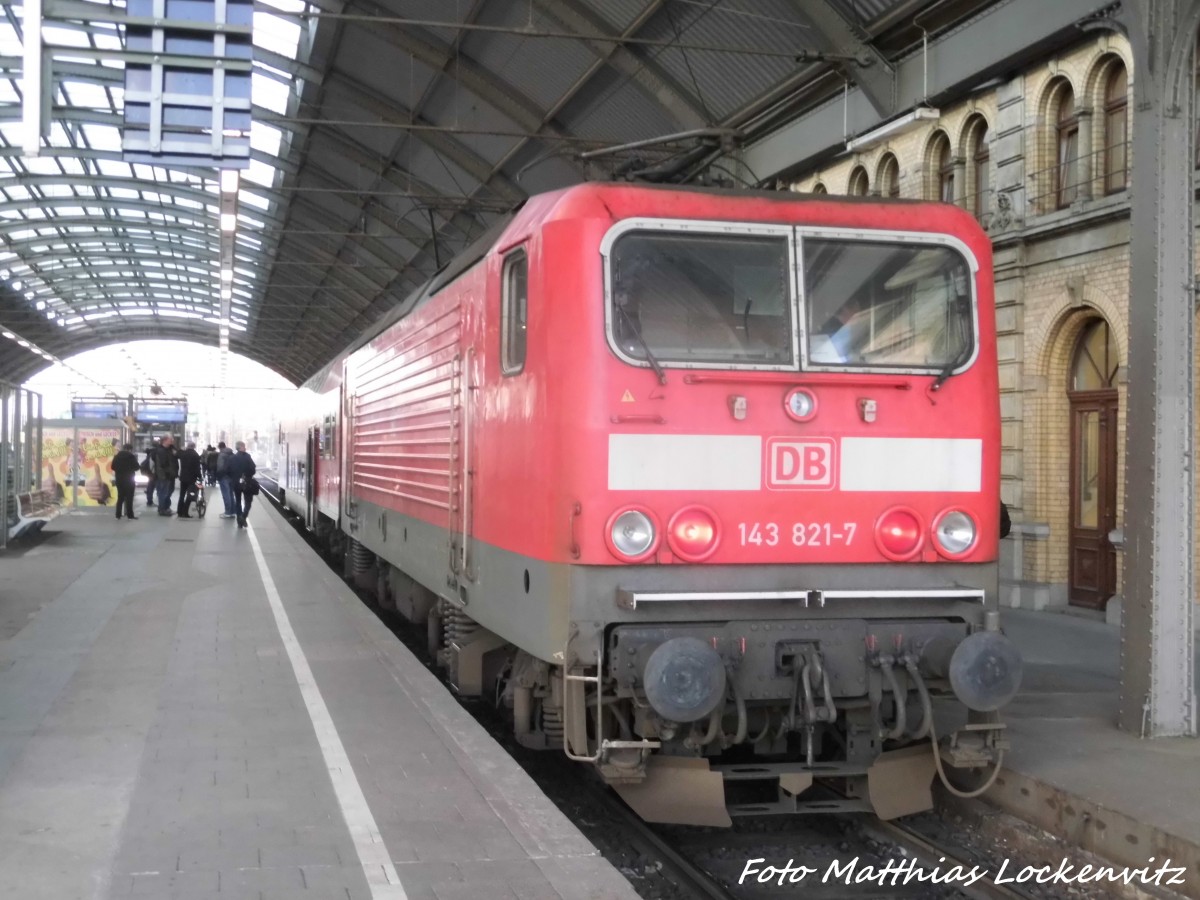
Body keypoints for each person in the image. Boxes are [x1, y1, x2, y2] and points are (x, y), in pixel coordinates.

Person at [228, 440, 257, 529]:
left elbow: (228, 470)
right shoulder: (247, 457)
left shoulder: (232, 458)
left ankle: (239, 520)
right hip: (247, 483)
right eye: (244, 446)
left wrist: (234, 477)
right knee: (248, 502)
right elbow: (253, 469)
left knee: (238, 501)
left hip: (236, 483)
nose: (245, 448)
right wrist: (248, 475)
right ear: (241, 447)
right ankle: (243, 517)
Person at [110, 443, 140, 520]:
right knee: (129, 498)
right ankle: (130, 515)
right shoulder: (131, 457)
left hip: (119, 479)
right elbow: (137, 467)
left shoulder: (116, 456)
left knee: (120, 497)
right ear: (130, 449)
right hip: (129, 479)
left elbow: (112, 467)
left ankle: (118, 515)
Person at [154, 435, 179, 516]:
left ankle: (166, 507)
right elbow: (164, 464)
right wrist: (169, 472)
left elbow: (177, 455)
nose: (172, 440)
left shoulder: (170, 449)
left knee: (168, 492)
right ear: (164, 440)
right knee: (163, 492)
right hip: (163, 475)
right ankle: (162, 509)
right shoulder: (161, 451)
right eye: (170, 439)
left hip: (170, 475)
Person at [176, 441, 202, 518]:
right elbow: (197, 468)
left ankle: (179, 511)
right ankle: (185, 512)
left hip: (183, 477)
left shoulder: (183, 454)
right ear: (194, 446)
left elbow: (177, 454)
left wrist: (181, 449)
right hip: (191, 478)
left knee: (182, 495)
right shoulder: (196, 455)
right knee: (190, 495)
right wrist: (199, 476)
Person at [215, 441, 236, 518]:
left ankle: (227, 512)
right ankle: (233, 512)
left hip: (224, 477)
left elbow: (220, 467)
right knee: (231, 494)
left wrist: (218, 476)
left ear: (220, 447)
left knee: (225, 495)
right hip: (231, 476)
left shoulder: (222, 455)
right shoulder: (232, 454)